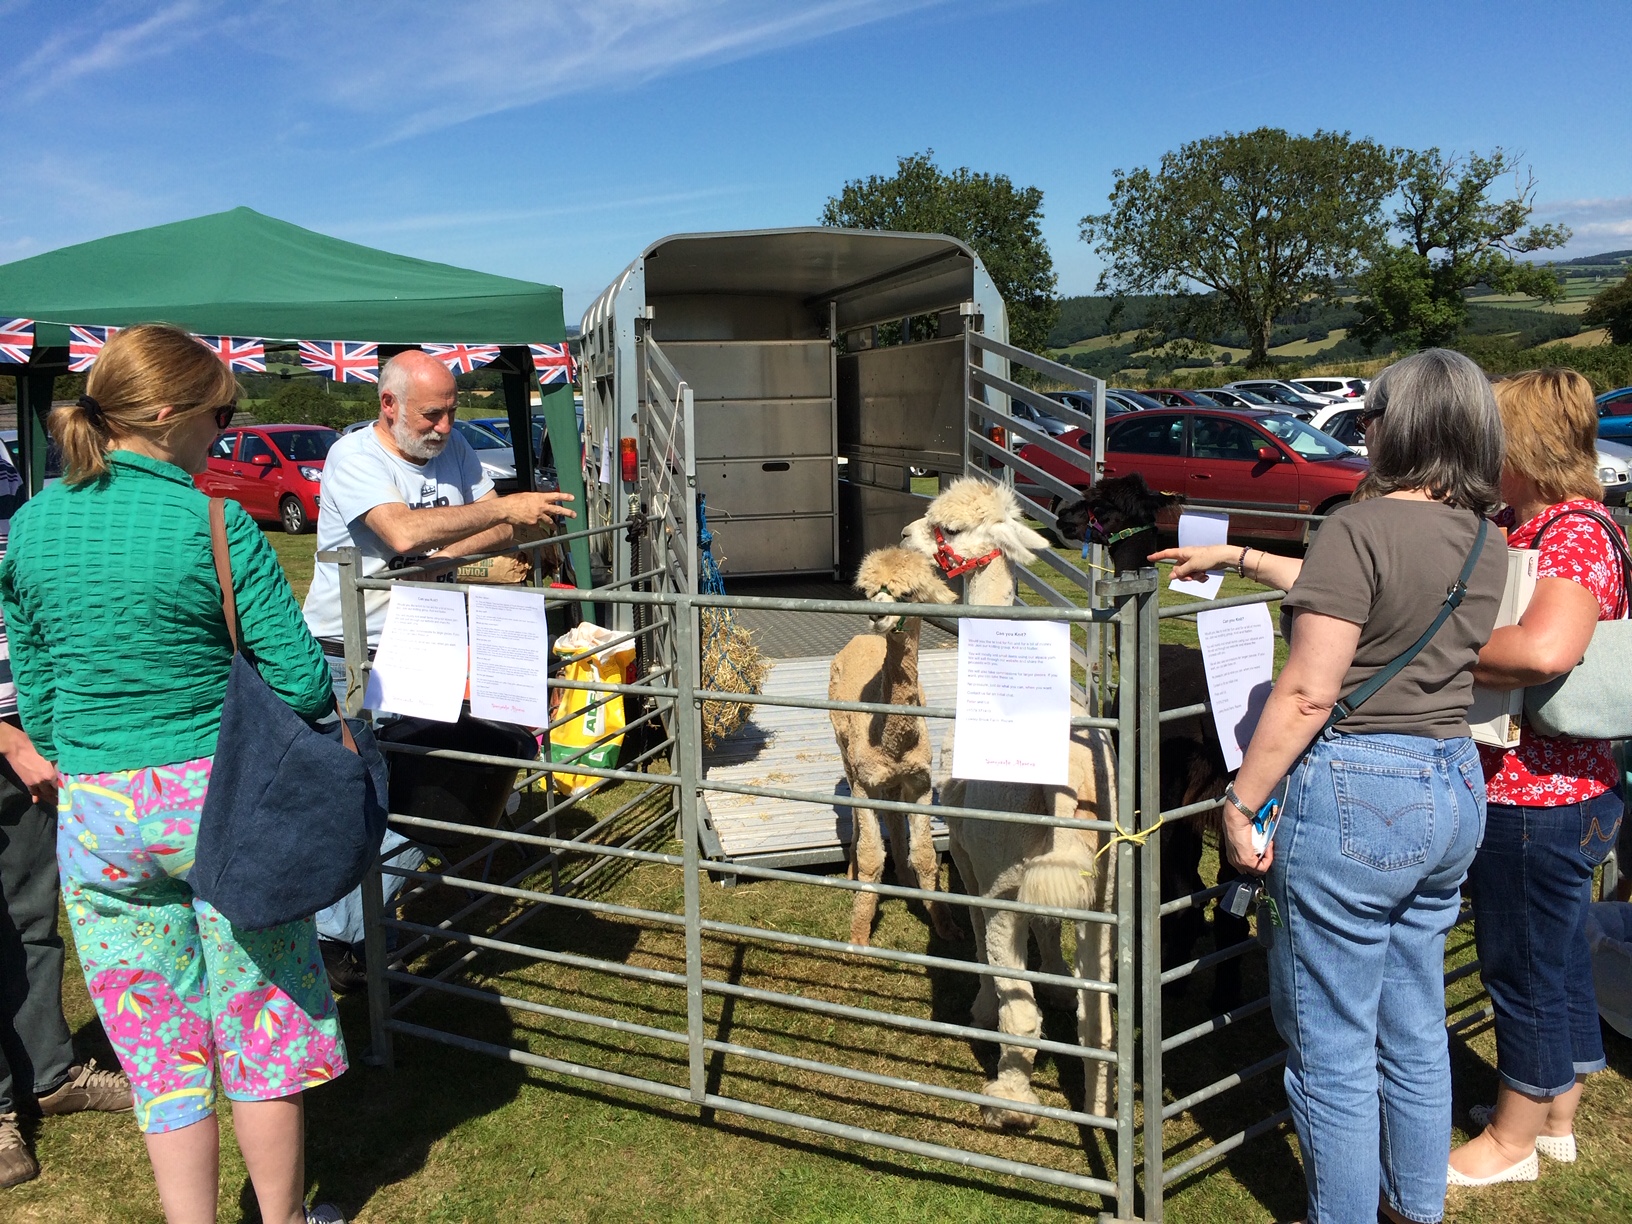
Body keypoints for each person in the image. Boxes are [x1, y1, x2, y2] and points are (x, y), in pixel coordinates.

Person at [0, 324, 345, 1224]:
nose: (223, 434)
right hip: (216, 802)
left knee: (158, 1044)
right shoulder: (213, 520)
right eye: (220, 415)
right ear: (165, 415)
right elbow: (304, 681)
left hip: (97, 811)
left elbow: (35, 692)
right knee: (260, 1022)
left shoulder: (32, 525)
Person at [1154, 348, 1508, 1224]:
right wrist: (1242, 555)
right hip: (1452, 780)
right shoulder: (1483, 540)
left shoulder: (1359, 525)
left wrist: (1239, 802)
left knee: (1333, 1049)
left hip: (1359, 790)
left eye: (1377, 412)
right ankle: (1412, 1210)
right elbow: (1374, 601)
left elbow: (1311, 688)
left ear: (1403, 424)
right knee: (1417, 1027)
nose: (1369, 426)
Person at [301, 350, 573, 987]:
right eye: (432, 414)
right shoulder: (354, 457)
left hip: (429, 640)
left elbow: (498, 536)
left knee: (418, 796)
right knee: (363, 794)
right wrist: (496, 512)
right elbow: (401, 534)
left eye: (452, 411)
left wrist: (441, 546)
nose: (446, 426)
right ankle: (339, 938)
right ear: (387, 405)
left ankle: (348, 935)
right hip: (353, 651)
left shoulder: (452, 451)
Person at [1448, 368, 1626, 1186]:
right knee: (1554, 956)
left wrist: (1429, 649)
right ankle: (1556, 1112)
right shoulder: (1537, 523)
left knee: (1518, 967)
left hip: (1535, 793)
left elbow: (1545, 652)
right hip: (1562, 789)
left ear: (1521, 447)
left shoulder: (1570, 535)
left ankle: (1510, 1144)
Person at [0, 444, 133, 1189]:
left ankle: (48, 1076)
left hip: (31, 736)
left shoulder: (16, 481)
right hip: (14, 740)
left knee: (31, 917)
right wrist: (12, 740)